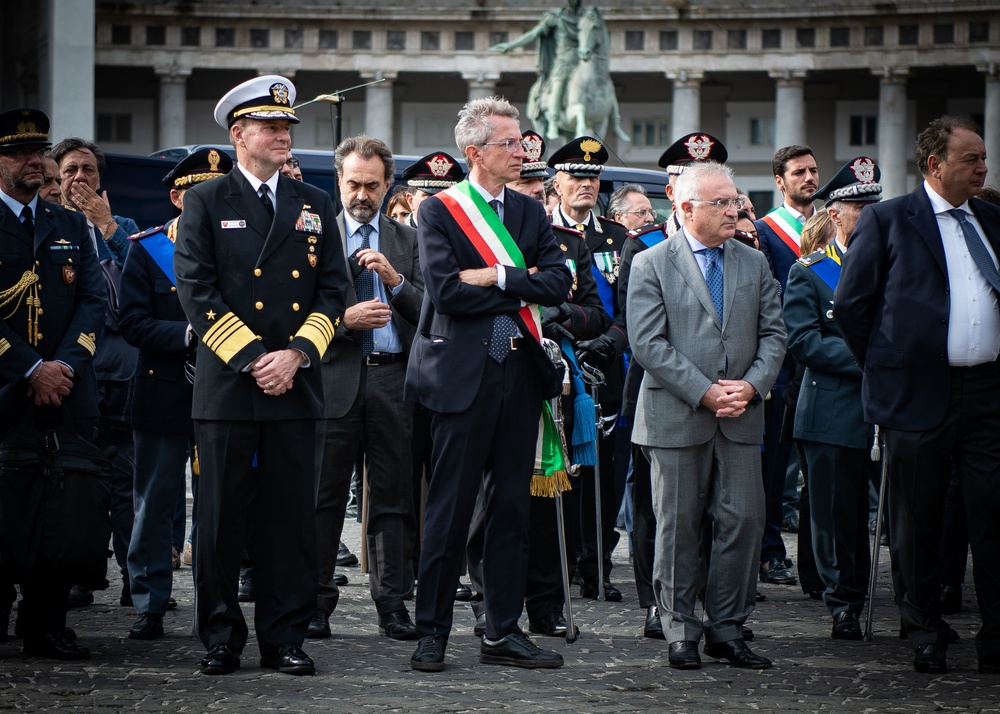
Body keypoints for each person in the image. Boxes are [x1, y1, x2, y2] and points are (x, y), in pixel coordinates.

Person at [174, 74, 349, 676]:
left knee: (289, 518)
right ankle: (221, 635)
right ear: (237, 134)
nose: (283, 135)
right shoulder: (205, 200)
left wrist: (297, 354)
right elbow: (195, 291)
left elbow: (333, 292)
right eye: (271, 127)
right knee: (221, 518)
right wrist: (253, 359)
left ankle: (284, 636)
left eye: (287, 127)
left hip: (295, 384)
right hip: (228, 385)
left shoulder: (315, 204)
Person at [404, 96, 572, 672]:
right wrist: (522, 283)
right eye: (509, 142)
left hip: (518, 374)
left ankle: (501, 630)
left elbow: (559, 283)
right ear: (475, 152)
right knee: (448, 512)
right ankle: (433, 632)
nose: (523, 150)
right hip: (460, 377)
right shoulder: (439, 211)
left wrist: (500, 274)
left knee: (509, 510)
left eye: (522, 140)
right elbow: (447, 293)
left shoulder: (528, 212)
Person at [835, 116, 1000, 675]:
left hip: (986, 394)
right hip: (915, 396)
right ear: (935, 164)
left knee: (991, 513)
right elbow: (853, 308)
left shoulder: (994, 220)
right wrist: (889, 367)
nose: (984, 167)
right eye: (972, 159)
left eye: (983, 158)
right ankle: (925, 629)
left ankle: (995, 636)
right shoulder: (888, 219)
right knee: (916, 521)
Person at [627, 161, 785, 670]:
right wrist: (705, 392)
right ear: (686, 207)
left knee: (742, 521)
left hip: (741, 415)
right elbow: (648, 344)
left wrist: (752, 385)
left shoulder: (752, 261)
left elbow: (775, 335)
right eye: (721, 203)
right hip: (677, 416)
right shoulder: (651, 263)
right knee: (678, 526)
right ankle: (680, 630)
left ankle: (727, 628)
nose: (734, 210)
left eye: (735, 201)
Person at [466, 128, 605, 640]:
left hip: (549, 375)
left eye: (537, 189)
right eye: (522, 187)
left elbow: (593, 312)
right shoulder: (474, 235)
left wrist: (559, 313)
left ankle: (547, 602)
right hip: (495, 371)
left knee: (550, 501)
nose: (530, 196)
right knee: (494, 495)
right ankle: (490, 600)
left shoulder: (565, 245)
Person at [0, 107, 106, 659]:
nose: (33, 161)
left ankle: (46, 623)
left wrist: (62, 367)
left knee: (60, 512)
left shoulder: (67, 223)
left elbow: (94, 299)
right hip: (6, 391)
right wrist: (27, 369)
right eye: (19, 153)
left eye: (37, 151)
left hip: (66, 391)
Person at [310, 135, 423, 642]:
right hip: (331, 378)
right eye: (352, 183)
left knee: (393, 497)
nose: (361, 194)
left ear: (388, 184)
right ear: (338, 182)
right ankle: (313, 603)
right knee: (322, 497)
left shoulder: (409, 240)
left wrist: (397, 283)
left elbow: (432, 312)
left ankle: (393, 604)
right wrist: (343, 318)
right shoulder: (314, 239)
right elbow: (293, 315)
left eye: (372, 185)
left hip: (393, 377)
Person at [118, 147, 233, 641]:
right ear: (176, 197)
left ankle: (215, 602)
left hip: (226, 391)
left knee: (219, 504)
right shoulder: (145, 249)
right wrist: (188, 334)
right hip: (164, 391)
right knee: (155, 503)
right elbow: (133, 323)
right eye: (196, 193)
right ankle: (150, 601)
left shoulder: (239, 249)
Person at [620, 132, 728, 639]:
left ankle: (702, 597)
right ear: (673, 191)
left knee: (714, 506)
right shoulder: (642, 247)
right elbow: (641, 334)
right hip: (659, 389)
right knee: (654, 504)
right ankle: (656, 601)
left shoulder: (738, 246)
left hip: (726, 399)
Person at [783, 156, 883, 642]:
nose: (870, 215)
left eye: (874, 205)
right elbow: (803, 342)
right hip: (834, 408)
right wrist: (871, 360)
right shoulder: (812, 271)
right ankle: (843, 602)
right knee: (837, 514)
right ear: (837, 214)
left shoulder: (893, 264)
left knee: (899, 512)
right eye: (860, 208)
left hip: (891, 409)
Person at [548, 135, 628, 601]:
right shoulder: (540, 232)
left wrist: (610, 341)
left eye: (593, 176)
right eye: (577, 176)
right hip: (556, 367)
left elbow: (632, 307)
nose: (586, 184)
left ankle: (597, 564)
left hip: (605, 367)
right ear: (557, 182)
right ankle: (563, 561)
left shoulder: (617, 238)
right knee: (561, 470)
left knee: (603, 474)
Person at [491, 0, 583, 139]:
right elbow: (534, 34)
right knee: (558, 83)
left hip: (581, 63)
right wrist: (511, 45)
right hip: (563, 61)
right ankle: (553, 119)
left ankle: (615, 119)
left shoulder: (585, 18)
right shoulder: (555, 18)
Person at [401, 151, 464, 227]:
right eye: (429, 196)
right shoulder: (397, 236)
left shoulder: (459, 234)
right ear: (410, 201)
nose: (437, 203)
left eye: (444, 197)